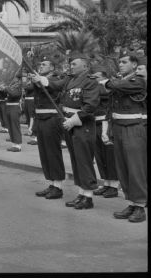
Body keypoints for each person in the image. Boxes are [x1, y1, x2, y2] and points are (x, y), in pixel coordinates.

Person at [43, 52, 100, 210]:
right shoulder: (70, 79)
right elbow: (56, 85)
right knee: (76, 160)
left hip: (82, 125)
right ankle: (81, 194)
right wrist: (43, 80)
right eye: (71, 64)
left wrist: (74, 119)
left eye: (74, 64)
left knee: (84, 161)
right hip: (69, 123)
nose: (71, 66)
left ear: (85, 66)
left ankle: (88, 197)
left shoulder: (90, 81)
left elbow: (90, 106)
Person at [102, 53, 147, 223]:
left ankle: (140, 206)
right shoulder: (122, 80)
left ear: (134, 65)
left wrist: (107, 82)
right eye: (119, 62)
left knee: (136, 169)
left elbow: (115, 85)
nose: (120, 64)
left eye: (124, 62)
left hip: (134, 129)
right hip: (119, 128)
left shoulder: (139, 79)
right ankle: (131, 202)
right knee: (123, 169)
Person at [26, 57, 65, 200]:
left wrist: (39, 80)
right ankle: (52, 183)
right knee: (44, 153)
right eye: (40, 64)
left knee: (53, 153)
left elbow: (54, 87)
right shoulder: (39, 78)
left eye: (44, 64)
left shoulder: (57, 78)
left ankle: (59, 186)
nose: (40, 66)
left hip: (52, 119)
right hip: (41, 119)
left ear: (52, 67)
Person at [91, 66, 119, 199]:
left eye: (96, 77)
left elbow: (103, 94)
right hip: (95, 122)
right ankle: (106, 183)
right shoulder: (97, 87)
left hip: (106, 122)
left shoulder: (107, 87)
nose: (93, 79)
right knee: (100, 155)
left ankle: (113, 186)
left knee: (109, 155)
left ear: (103, 77)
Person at [3, 72, 23, 152]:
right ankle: (14, 144)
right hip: (9, 106)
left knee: (14, 126)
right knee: (10, 126)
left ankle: (18, 145)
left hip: (14, 107)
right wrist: (2, 89)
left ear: (17, 78)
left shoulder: (19, 86)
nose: (12, 79)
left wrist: (7, 88)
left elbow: (14, 94)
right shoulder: (13, 85)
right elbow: (7, 94)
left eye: (13, 77)